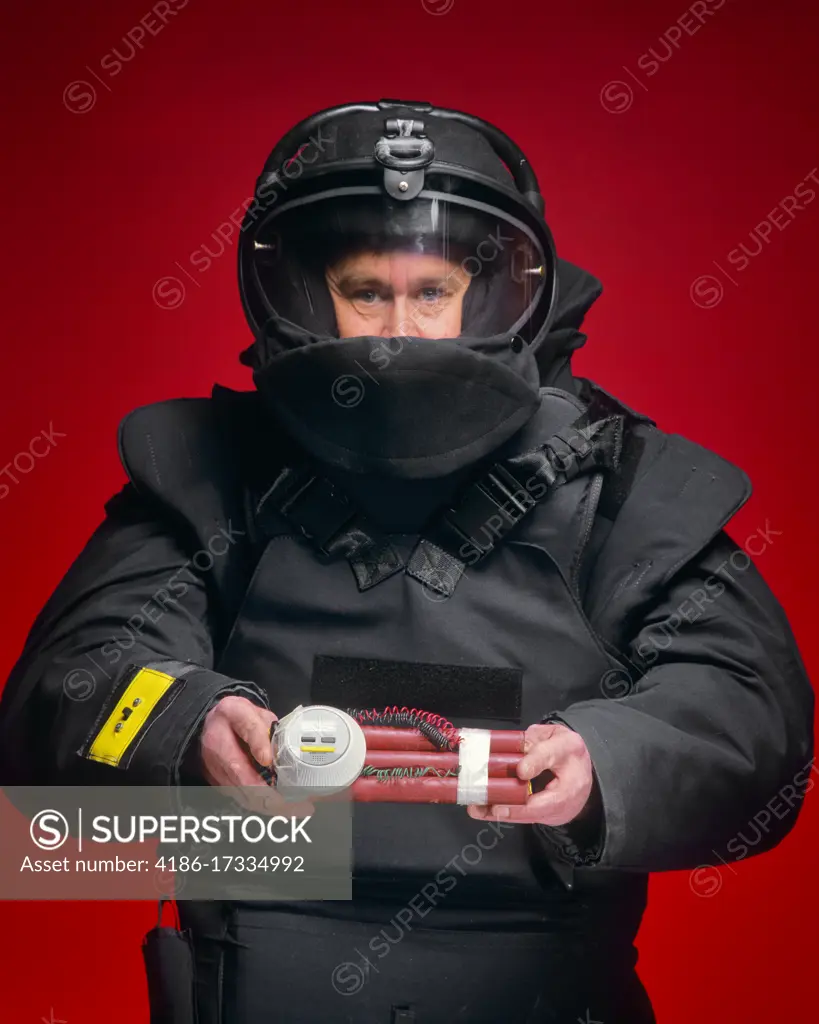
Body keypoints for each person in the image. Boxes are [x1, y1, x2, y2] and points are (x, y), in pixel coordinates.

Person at [0, 99, 813, 1024]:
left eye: (431, 293)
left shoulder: (621, 489)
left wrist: (605, 761)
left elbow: (753, 725)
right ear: (307, 292)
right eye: (365, 290)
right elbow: (58, 701)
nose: (399, 329)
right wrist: (185, 722)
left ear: (499, 293)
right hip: (260, 953)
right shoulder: (212, 470)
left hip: (542, 971)